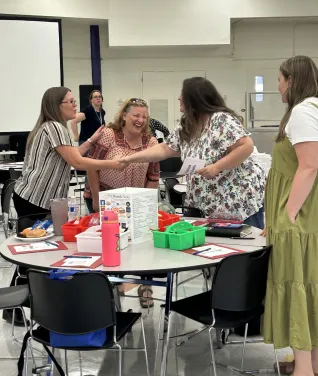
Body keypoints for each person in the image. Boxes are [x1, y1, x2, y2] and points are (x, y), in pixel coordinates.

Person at [4, 87, 123, 326]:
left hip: (32, 196)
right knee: (33, 253)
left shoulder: (51, 128)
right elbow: (76, 161)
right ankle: (16, 305)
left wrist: (91, 140)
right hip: (35, 199)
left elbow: (72, 154)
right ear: (56, 105)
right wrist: (112, 164)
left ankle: (26, 301)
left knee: (37, 251)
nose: (74, 105)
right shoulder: (55, 127)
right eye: (69, 101)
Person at [119, 77, 265, 227]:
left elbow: (246, 146)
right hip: (208, 203)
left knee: (246, 245)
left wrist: (217, 167)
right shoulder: (188, 124)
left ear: (194, 98)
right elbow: (165, 148)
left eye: (182, 94)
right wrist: (130, 158)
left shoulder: (221, 119)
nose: (178, 98)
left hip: (237, 201)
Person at [262, 55, 318, 376]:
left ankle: (304, 370)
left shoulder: (302, 111)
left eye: (280, 79)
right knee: (308, 282)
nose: (278, 85)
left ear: (292, 81)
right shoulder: (311, 109)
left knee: (297, 282)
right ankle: (309, 363)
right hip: (304, 217)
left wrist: (288, 212)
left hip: (298, 218)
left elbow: (310, 165)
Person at [84, 97, 160, 308]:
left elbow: (153, 177)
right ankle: (111, 295)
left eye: (144, 116)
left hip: (136, 202)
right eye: (136, 115)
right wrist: (98, 199)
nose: (140, 120)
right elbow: (91, 166)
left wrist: (146, 207)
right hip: (106, 199)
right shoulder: (108, 135)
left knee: (143, 247)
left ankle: (146, 287)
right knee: (112, 250)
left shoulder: (150, 142)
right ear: (124, 115)